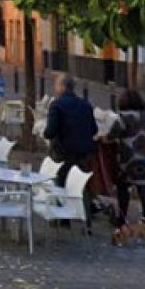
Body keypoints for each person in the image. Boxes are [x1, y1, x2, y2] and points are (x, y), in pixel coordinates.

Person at [42, 75, 99, 221]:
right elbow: (94, 129)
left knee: (59, 181)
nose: (55, 89)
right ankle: (86, 218)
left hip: (63, 152)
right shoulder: (86, 104)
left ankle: (63, 217)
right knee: (81, 184)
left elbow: (50, 132)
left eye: (56, 85)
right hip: (83, 152)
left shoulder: (56, 105)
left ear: (62, 87)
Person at [107, 91, 145, 228]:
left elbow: (111, 135)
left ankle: (122, 218)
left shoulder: (122, 118)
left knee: (123, 188)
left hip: (129, 158)